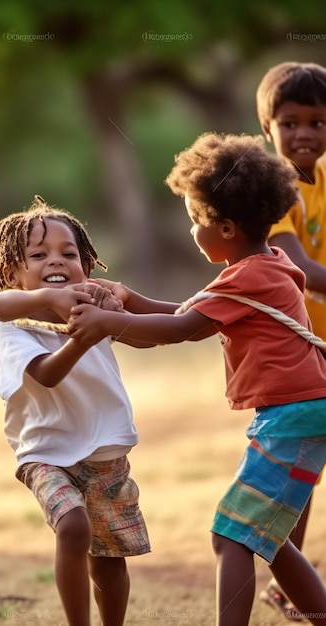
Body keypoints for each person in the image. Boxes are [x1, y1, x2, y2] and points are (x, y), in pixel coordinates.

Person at [68, 133, 326, 626]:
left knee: (230, 537)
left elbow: (182, 329)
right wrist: (127, 299)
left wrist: (106, 323)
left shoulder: (248, 276)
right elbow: (191, 315)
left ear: (225, 227)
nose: (190, 231)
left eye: (195, 221)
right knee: (266, 535)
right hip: (304, 412)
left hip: (292, 417)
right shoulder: (264, 266)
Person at [0, 196, 150, 626]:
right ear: (12, 275)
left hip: (104, 452)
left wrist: (126, 304)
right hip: (46, 452)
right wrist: (82, 336)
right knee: (74, 528)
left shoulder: (95, 308)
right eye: (38, 255)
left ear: (87, 267)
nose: (55, 260)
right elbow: (45, 373)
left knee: (109, 561)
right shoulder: (15, 324)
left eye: (68, 253)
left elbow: (156, 330)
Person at [256, 61, 326, 620]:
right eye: (290, 121)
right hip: (294, 354)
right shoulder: (276, 190)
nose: (304, 133)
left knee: (310, 468)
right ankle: (290, 577)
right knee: (299, 472)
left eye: (318, 121)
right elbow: (298, 267)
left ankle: (295, 582)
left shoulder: (322, 182)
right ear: (267, 127)